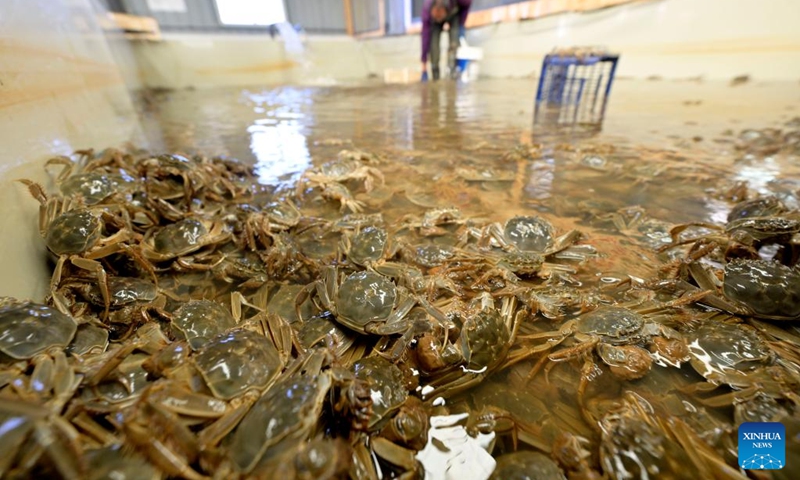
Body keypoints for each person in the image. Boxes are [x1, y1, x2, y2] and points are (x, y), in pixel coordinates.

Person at [421, 0, 471, 81]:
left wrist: (462, 23)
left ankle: (451, 75)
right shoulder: (427, 10)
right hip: (434, 20)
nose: (440, 20)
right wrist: (424, 65)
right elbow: (425, 37)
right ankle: (435, 76)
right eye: (437, 17)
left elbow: (468, 3)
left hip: (453, 14)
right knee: (434, 48)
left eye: (440, 17)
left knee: (454, 44)